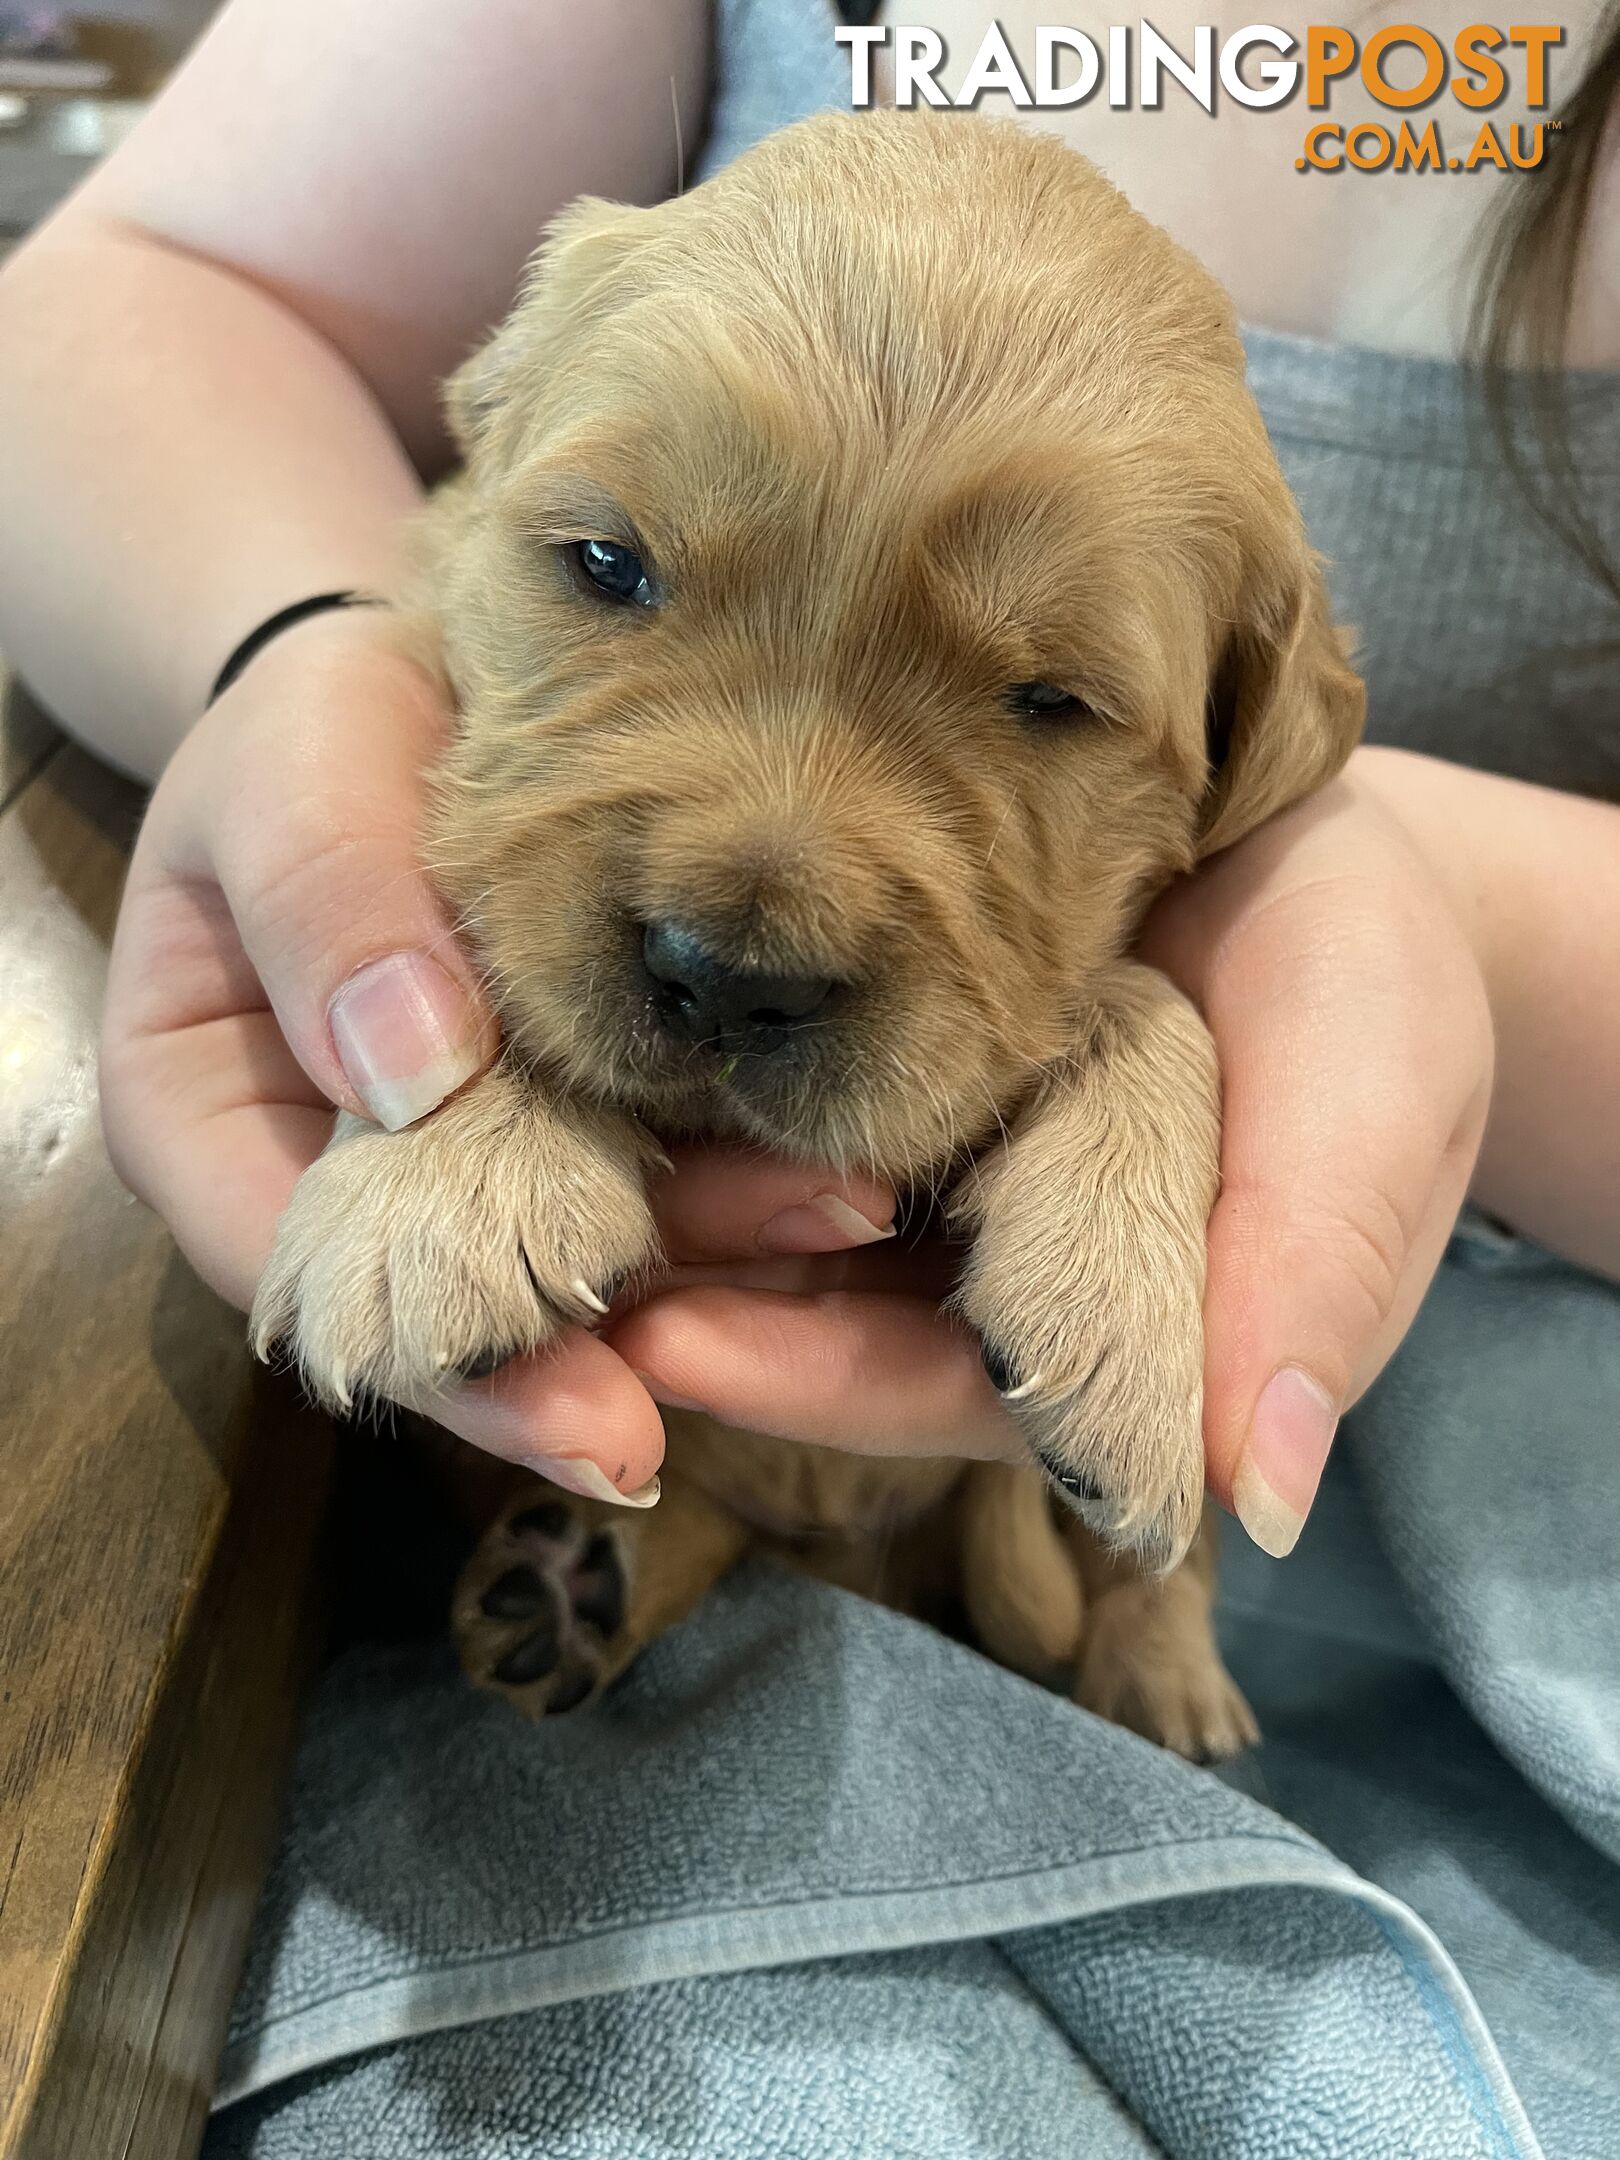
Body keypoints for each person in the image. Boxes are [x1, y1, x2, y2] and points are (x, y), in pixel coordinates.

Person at [2, 4, 1616, 2152]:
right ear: (489, 449)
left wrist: (1423, 923)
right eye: (614, 572)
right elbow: (139, 297)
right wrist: (306, 666)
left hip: (1447, 1588)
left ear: (1250, 736)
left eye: (1042, 699)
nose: (746, 911)